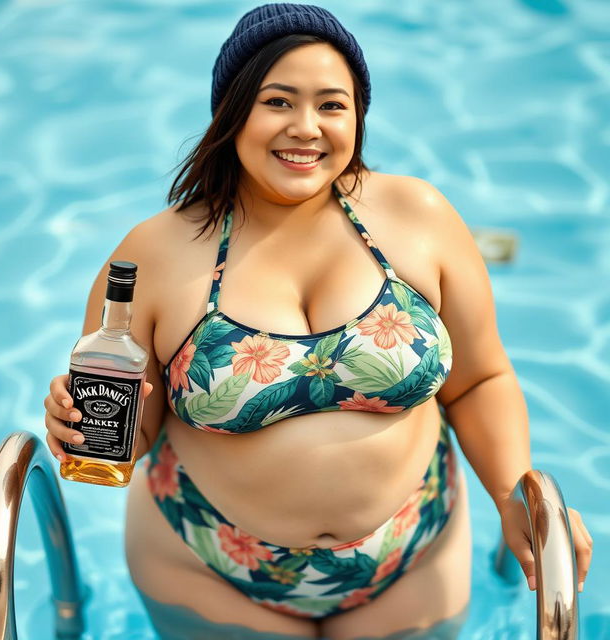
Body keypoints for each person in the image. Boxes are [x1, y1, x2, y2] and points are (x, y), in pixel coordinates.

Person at [43, 4, 593, 639]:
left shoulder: (418, 217)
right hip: (208, 564)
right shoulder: (155, 254)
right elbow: (129, 438)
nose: (306, 128)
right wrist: (78, 426)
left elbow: (479, 379)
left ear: (357, 116)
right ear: (234, 111)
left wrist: (511, 494)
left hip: (412, 555)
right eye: (279, 102)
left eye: (333, 105)